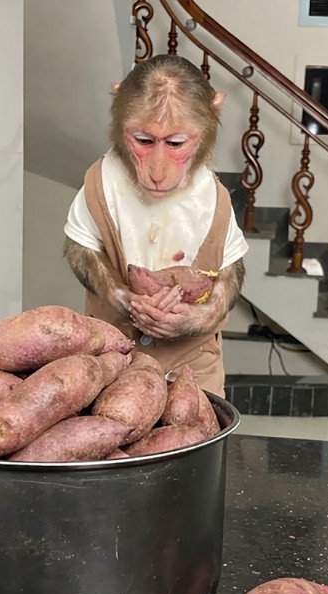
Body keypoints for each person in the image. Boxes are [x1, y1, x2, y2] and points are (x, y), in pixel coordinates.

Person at [61, 54, 248, 398]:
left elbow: (230, 272)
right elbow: (80, 250)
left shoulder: (213, 197)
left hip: (193, 366)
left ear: (213, 114)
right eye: (144, 141)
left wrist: (200, 318)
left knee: (198, 427)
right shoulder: (101, 183)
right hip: (112, 357)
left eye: (176, 144)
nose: (158, 169)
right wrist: (125, 300)